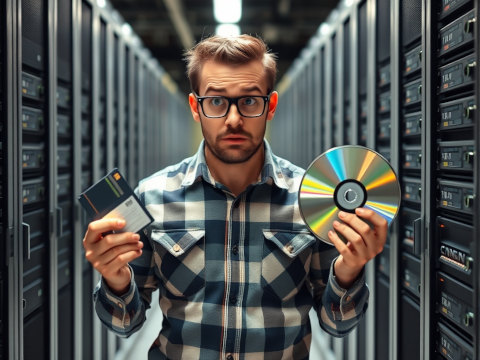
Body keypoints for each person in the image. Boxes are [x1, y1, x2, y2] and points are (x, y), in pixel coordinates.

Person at [83, 34, 388, 359]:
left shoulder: (313, 198)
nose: (233, 119)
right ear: (195, 108)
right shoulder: (152, 196)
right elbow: (125, 324)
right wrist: (115, 279)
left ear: (270, 106)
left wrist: (349, 270)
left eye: (249, 101)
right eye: (216, 101)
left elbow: (336, 324)